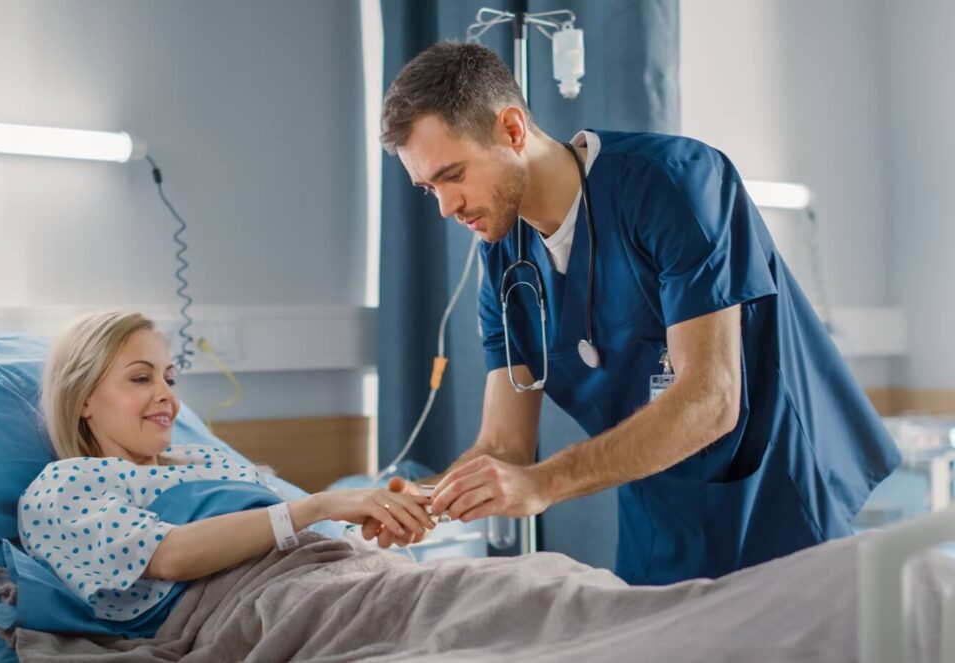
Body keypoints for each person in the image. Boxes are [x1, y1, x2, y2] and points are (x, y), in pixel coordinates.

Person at [374, 41, 901, 584]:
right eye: (427, 188)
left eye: (453, 174)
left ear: (511, 129)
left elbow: (712, 399)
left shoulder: (675, 182)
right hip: (659, 519)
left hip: (773, 498)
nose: (445, 207)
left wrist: (544, 484)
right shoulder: (506, 262)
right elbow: (504, 445)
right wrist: (426, 499)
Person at [19, 311, 433, 621]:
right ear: (83, 398)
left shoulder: (208, 460)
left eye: (170, 379)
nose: (168, 397)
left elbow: (300, 531)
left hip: (341, 577)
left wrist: (372, 522)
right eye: (142, 379)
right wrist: (319, 506)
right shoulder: (68, 483)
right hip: (266, 607)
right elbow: (169, 556)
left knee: (473, 590)